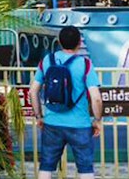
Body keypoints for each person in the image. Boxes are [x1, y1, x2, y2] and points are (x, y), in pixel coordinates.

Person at [29, 26, 103, 179]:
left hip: (52, 123)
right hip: (80, 124)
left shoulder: (46, 61)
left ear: (59, 41)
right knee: (85, 168)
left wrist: (39, 116)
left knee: (46, 165)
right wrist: (97, 120)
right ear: (79, 43)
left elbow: (33, 91)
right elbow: (96, 97)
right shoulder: (85, 64)